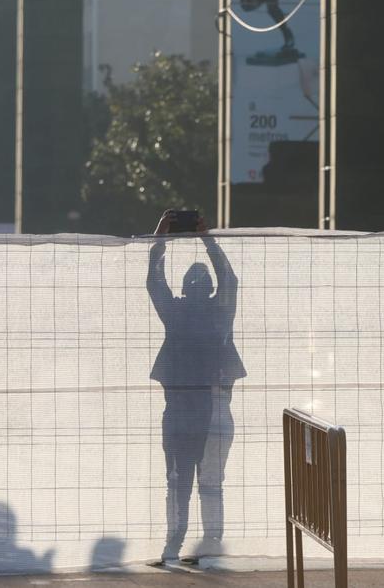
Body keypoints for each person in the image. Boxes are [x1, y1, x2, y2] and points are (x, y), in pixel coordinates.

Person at [148, 211, 245, 563]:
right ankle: (206, 546)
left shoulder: (176, 314)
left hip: (184, 415)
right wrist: (207, 240)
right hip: (212, 412)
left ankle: (176, 545)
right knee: (208, 484)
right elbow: (229, 279)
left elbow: (154, 282)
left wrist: (160, 239)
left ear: (186, 290)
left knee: (180, 483)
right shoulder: (219, 313)